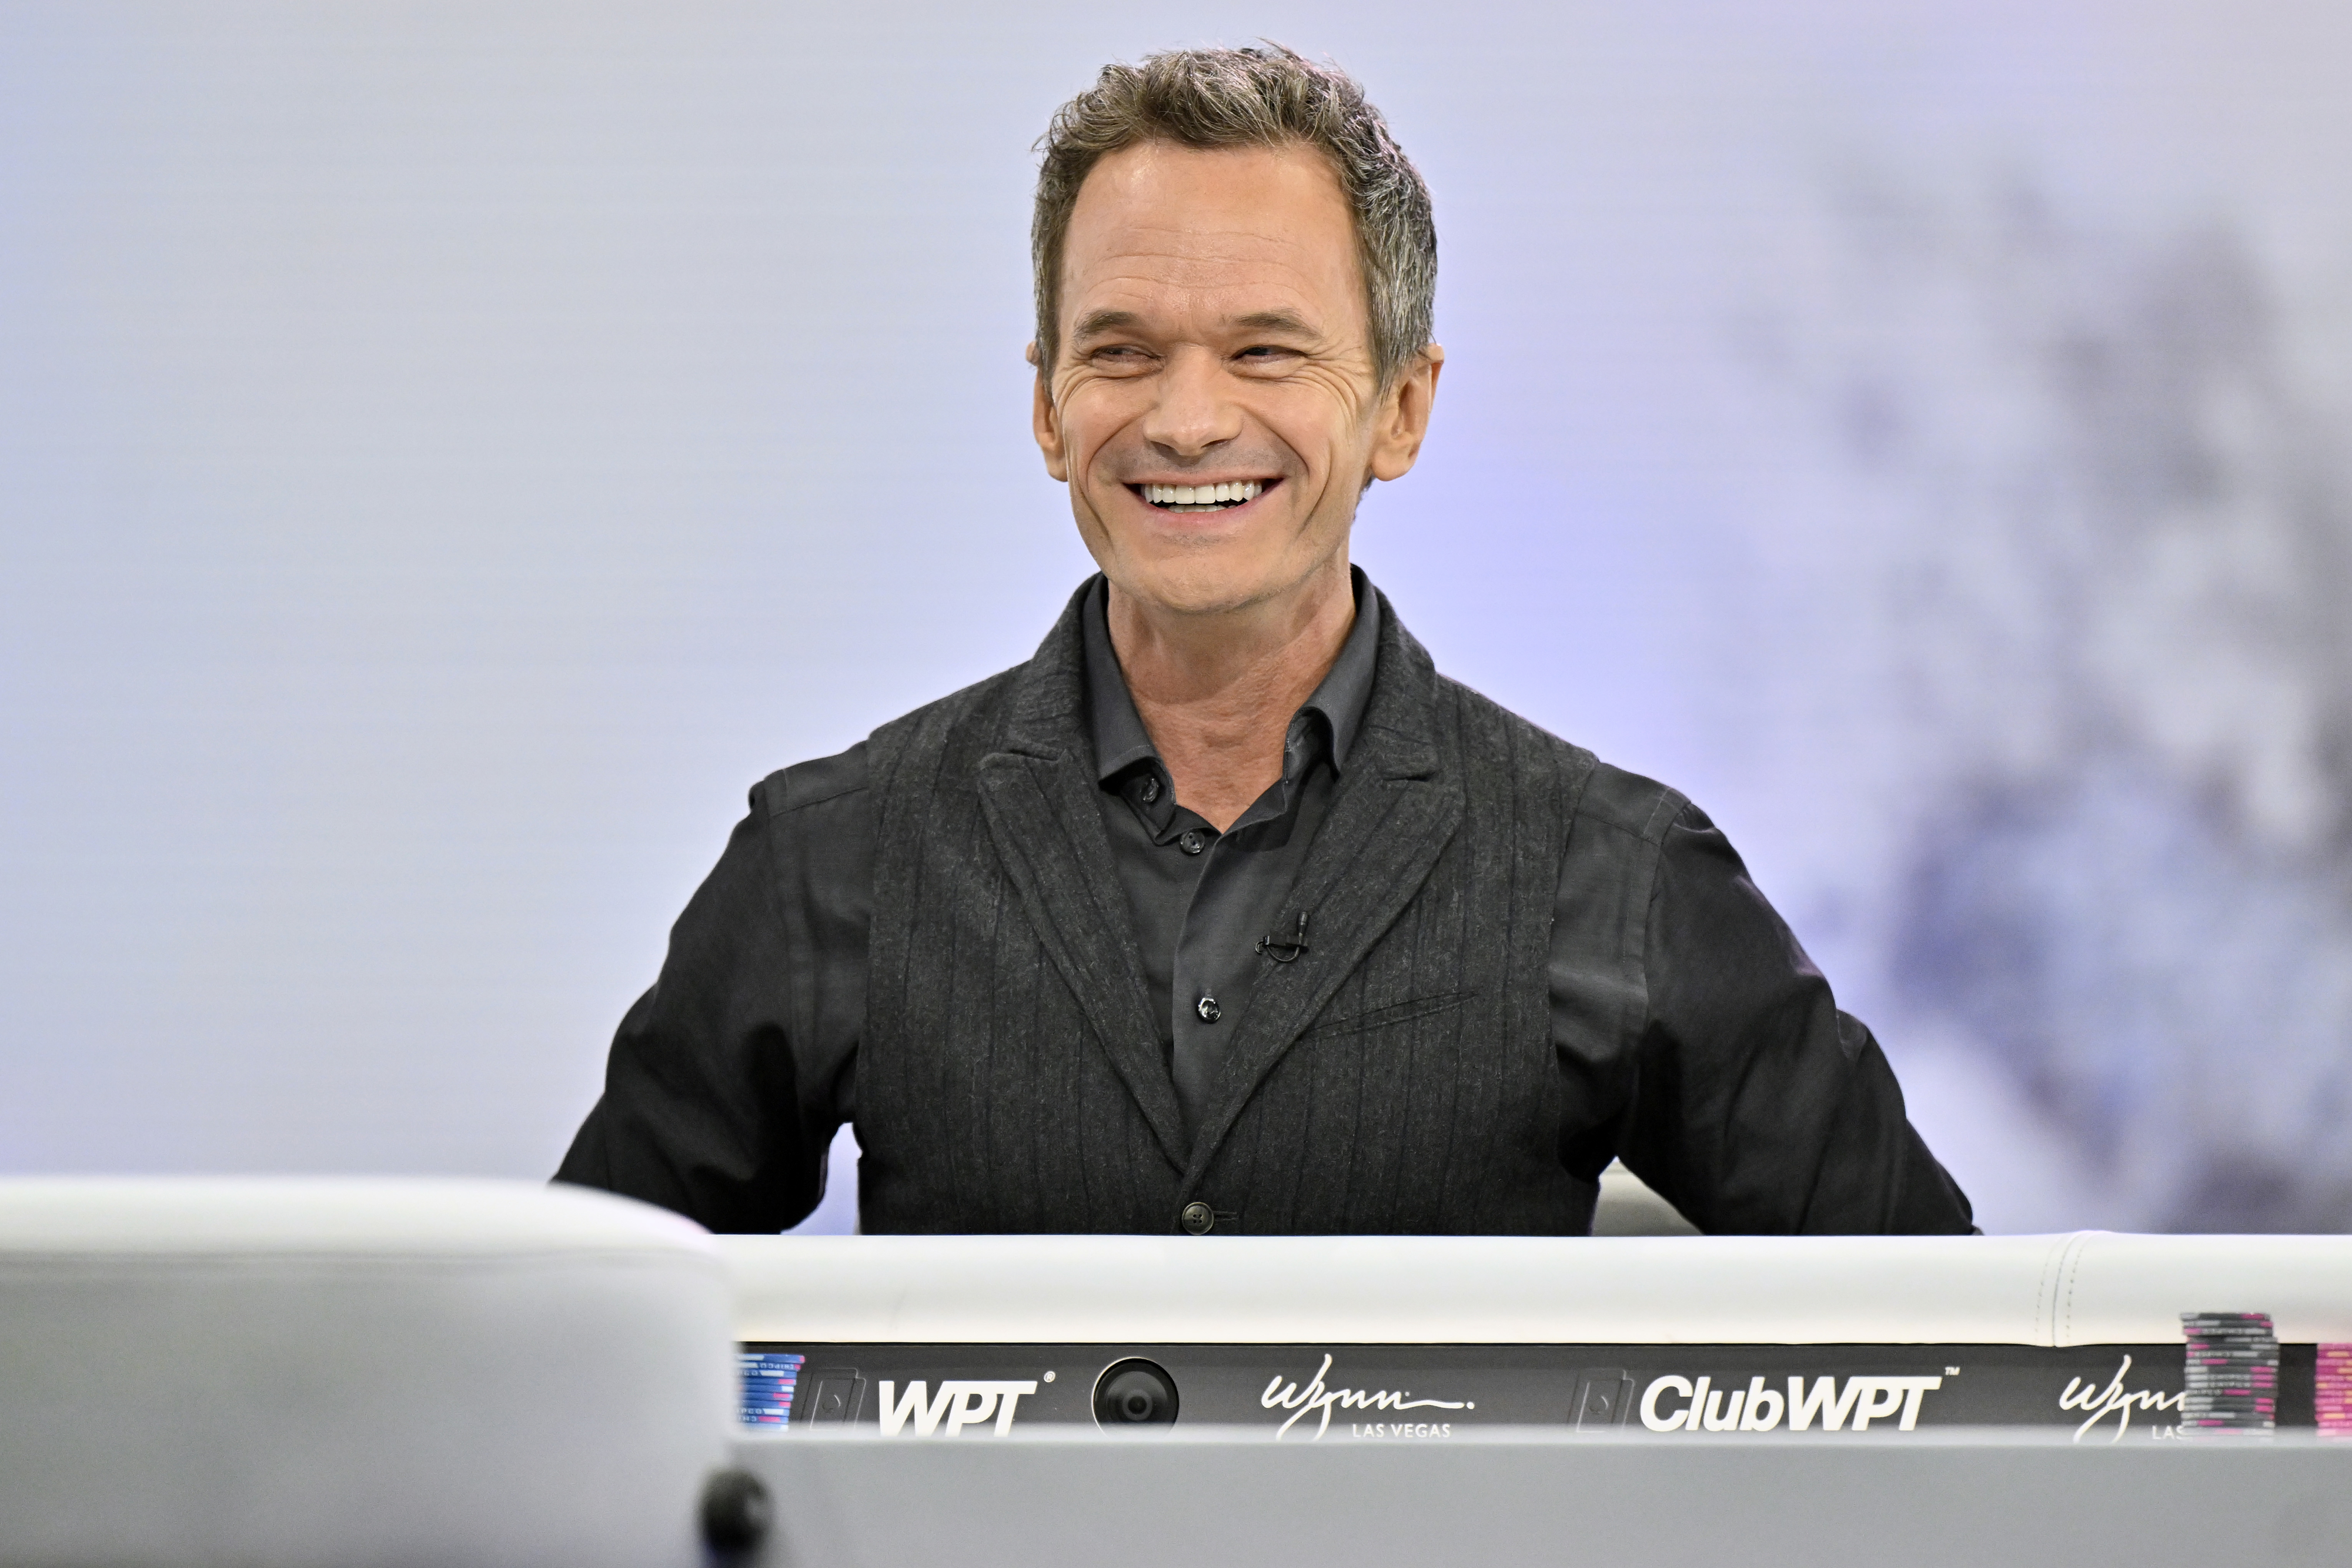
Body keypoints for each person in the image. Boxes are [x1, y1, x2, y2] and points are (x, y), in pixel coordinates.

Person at [555, 44, 1974, 1237]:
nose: (1183, 419)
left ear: (1400, 411)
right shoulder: (830, 860)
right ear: (1047, 408)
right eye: (1117, 351)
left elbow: (1956, 1353)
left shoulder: (1614, 874)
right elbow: (570, 1354)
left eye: (1264, 352)